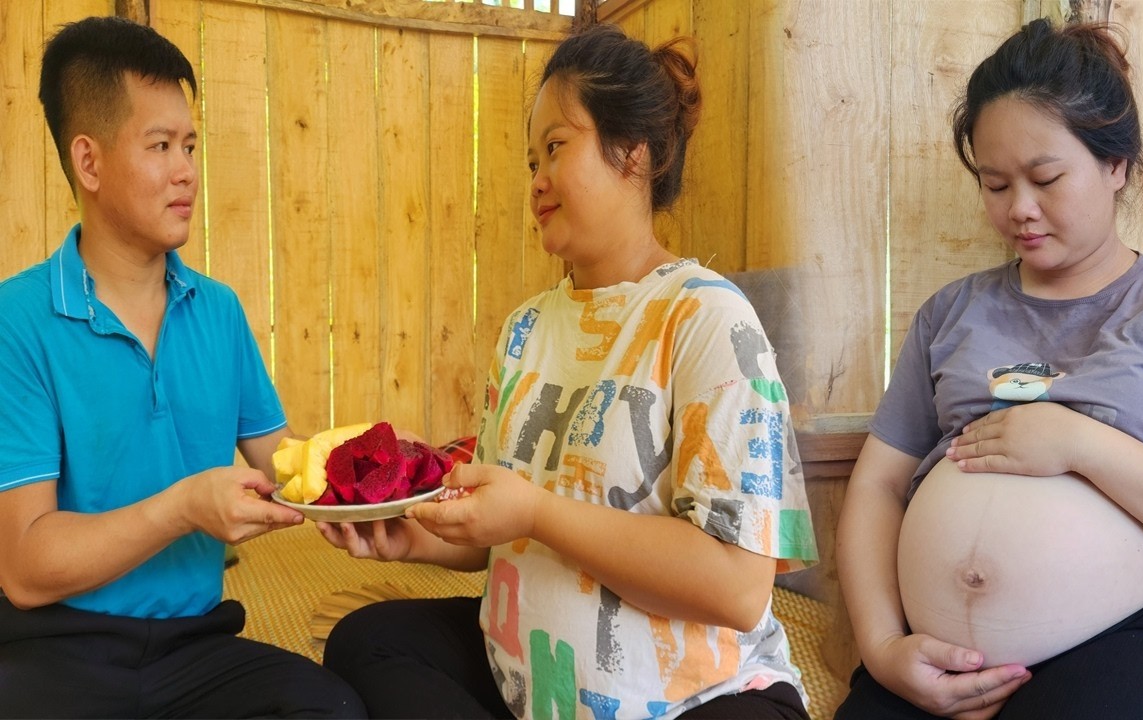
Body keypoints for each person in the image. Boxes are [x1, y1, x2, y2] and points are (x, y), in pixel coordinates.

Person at [317, 22, 819, 720]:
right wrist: (413, 535)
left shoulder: (706, 319)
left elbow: (737, 589)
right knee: (367, 642)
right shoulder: (526, 328)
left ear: (633, 153)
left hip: (697, 699)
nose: (537, 181)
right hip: (532, 682)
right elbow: (500, 528)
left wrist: (539, 512)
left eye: (555, 148)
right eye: (530, 162)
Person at [834, 18, 1143, 720]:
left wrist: (1080, 444)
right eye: (996, 184)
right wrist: (885, 648)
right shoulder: (950, 315)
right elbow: (879, 486)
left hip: (1125, 644)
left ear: (1116, 165)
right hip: (936, 657)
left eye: (1046, 178)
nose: (1020, 209)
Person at [0, 16, 365, 718]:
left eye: (190, 145)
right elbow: (24, 566)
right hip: (53, 647)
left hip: (195, 646)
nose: (186, 171)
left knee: (333, 709)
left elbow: (289, 467)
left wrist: (389, 468)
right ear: (90, 162)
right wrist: (184, 506)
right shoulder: (18, 322)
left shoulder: (219, 312)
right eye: (160, 145)